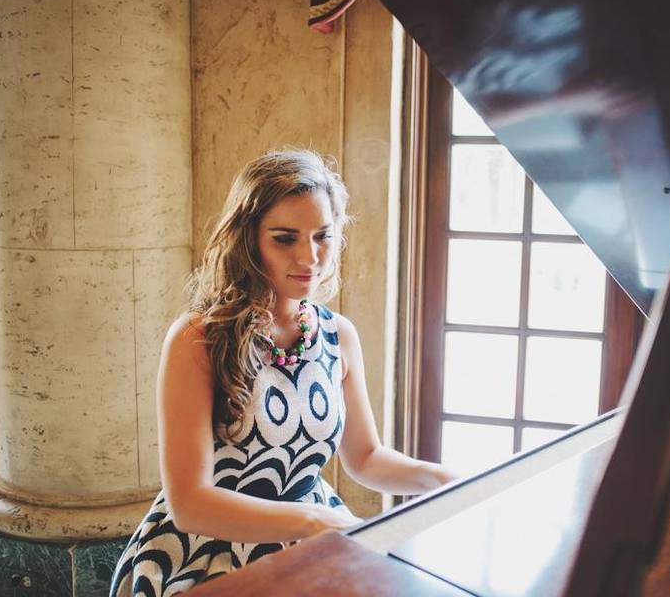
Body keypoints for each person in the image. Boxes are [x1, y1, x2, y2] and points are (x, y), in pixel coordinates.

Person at [110, 150, 458, 596]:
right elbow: (189, 503)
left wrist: (443, 479)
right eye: (285, 238)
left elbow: (366, 458)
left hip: (310, 544)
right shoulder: (198, 338)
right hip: (203, 555)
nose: (310, 257)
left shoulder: (338, 335)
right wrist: (316, 520)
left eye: (322, 236)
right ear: (249, 239)